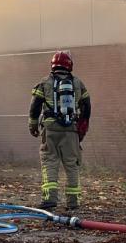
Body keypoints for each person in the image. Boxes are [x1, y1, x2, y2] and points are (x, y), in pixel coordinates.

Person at [28, 50, 91, 210]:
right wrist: (83, 126)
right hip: (71, 130)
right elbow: (87, 106)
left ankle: (50, 199)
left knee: (50, 162)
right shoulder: (78, 83)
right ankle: (73, 202)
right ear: (70, 64)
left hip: (50, 130)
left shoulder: (44, 82)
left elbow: (35, 106)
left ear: (53, 65)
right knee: (72, 165)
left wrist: (33, 125)